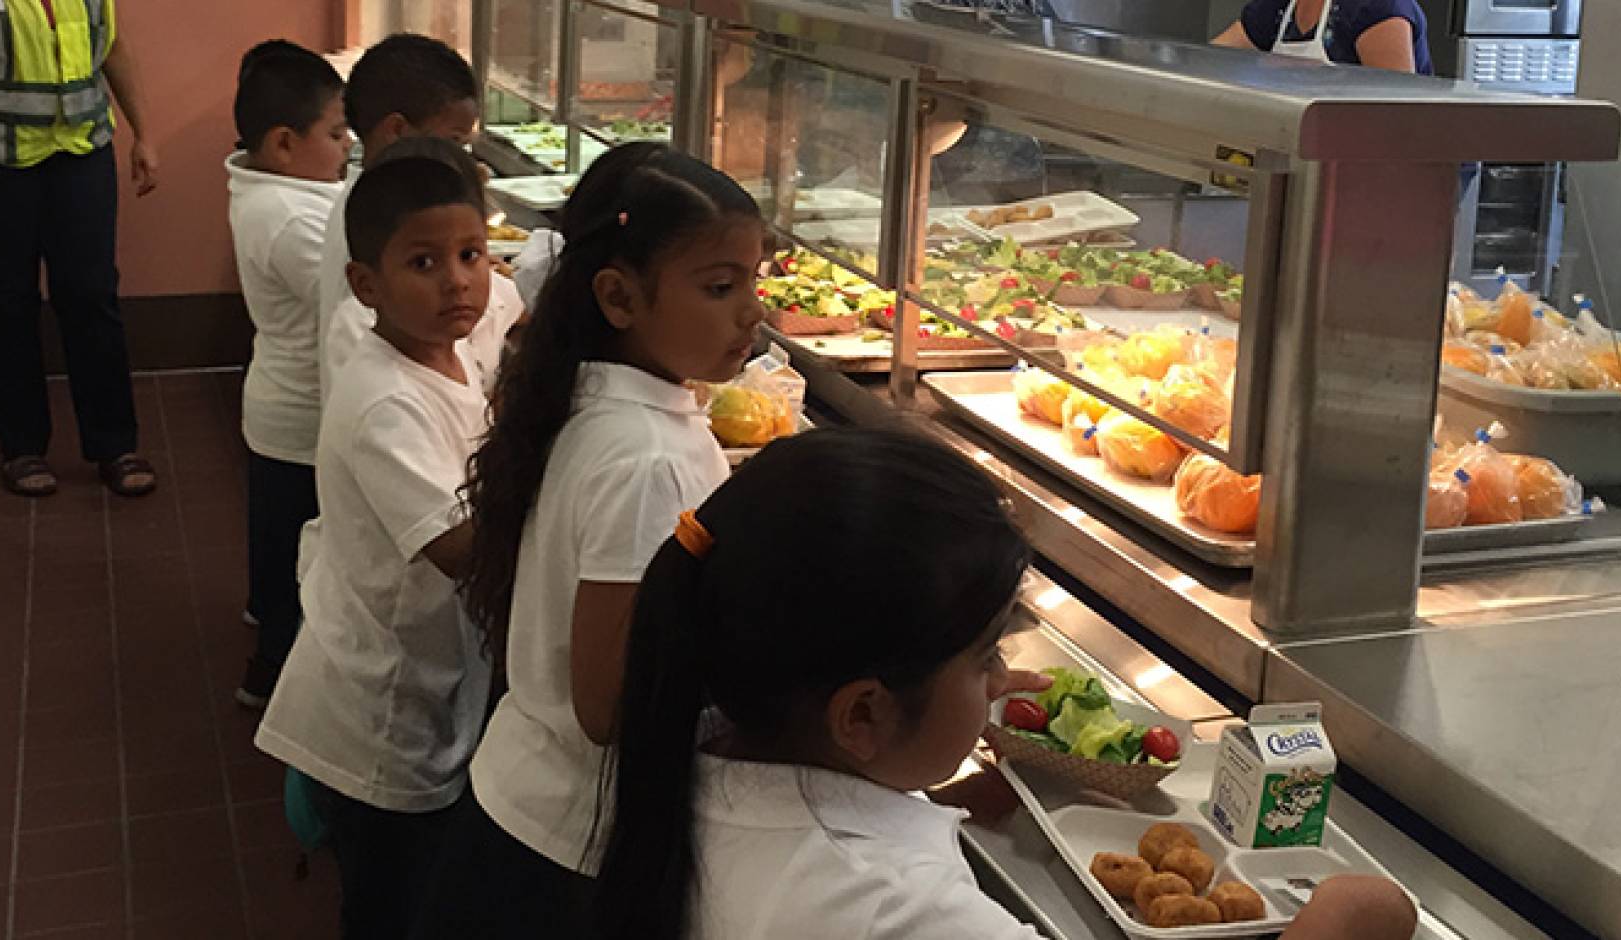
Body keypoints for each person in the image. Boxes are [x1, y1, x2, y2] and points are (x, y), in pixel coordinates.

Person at [591, 425, 1423, 940]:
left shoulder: (703, 753)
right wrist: (1341, 921)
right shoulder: (901, 912)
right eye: (985, 655)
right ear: (862, 715)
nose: (1004, 682)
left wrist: (939, 804)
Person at [411, 142, 766, 938]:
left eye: (755, 282)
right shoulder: (648, 459)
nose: (752, 312)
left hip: (522, 797)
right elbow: (609, 702)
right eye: (719, 287)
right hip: (562, 843)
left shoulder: (594, 401)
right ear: (619, 297)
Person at [254, 138, 493, 938]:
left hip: (420, 678)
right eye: (424, 263)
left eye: (471, 253)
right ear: (365, 284)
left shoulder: (449, 360)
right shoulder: (387, 400)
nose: (458, 280)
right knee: (392, 900)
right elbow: (460, 550)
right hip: (379, 709)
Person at [224, 40, 351, 708]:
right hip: (299, 419)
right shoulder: (288, 219)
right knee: (293, 553)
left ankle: (265, 614)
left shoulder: (278, 192)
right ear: (282, 144)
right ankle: (270, 672)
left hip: (279, 404)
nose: (347, 145)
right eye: (335, 133)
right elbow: (355, 296)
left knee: (275, 540)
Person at [0, 0, 159, 497]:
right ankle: (22, 447)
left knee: (91, 295)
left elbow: (115, 49)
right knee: (7, 301)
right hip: (2, 163)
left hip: (82, 154)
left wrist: (144, 134)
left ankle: (115, 445)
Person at [313, 32, 523, 407]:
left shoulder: (374, 202)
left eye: (469, 255)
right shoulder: (383, 224)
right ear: (397, 131)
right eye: (453, 142)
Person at [1213, 0, 1433, 75]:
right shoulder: (1279, 6)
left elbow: (1396, 120)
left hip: (1368, 168)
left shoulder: (1376, 8)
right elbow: (1216, 58)